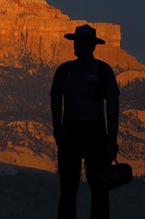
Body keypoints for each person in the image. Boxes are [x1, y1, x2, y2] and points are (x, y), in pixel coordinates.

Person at [50, 24, 120, 219]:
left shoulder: (98, 70)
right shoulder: (68, 71)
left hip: (90, 134)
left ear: (90, 46)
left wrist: (111, 139)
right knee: (72, 189)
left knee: (93, 189)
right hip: (79, 134)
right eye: (76, 42)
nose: (76, 45)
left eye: (80, 42)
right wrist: (58, 131)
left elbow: (113, 105)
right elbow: (55, 101)